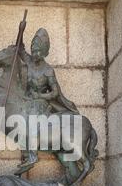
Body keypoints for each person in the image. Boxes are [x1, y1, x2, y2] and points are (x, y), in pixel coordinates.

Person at [15, 27, 79, 175]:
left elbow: (55, 92)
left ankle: (32, 155)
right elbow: (19, 48)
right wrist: (21, 30)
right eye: (33, 49)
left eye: (38, 51)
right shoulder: (28, 61)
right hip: (26, 102)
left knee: (31, 123)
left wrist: (41, 96)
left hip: (41, 104)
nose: (35, 53)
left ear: (45, 53)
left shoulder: (48, 70)